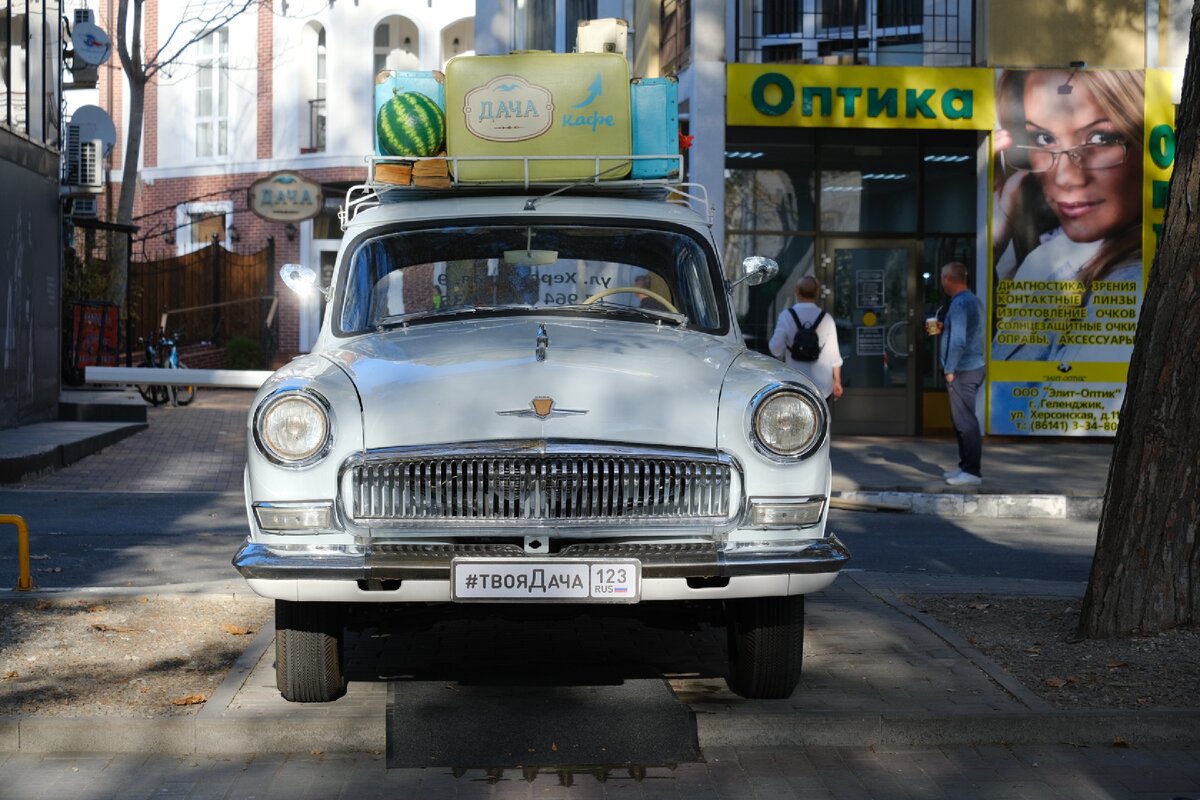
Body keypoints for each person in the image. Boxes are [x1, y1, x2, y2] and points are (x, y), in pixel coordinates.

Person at [991, 69, 1144, 363]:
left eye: (1100, 137)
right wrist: (993, 244)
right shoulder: (1046, 260)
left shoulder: (1129, 283)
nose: (1064, 177)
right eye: (1044, 137)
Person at [938, 262, 986, 486]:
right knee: (963, 419)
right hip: (974, 366)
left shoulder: (958, 304)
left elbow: (958, 341)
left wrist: (949, 369)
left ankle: (972, 472)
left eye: (941, 278)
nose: (941, 282)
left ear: (948, 279)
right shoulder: (973, 300)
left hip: (962, 370)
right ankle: (964, 466)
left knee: (965, 421)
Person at [768, 275, 843, 402]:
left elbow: (775, 349)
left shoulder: (786, 316)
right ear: (817, 293)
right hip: (822, 388)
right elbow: (834, 357)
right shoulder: (826, 318)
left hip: (795, 384)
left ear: (797, 291)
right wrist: (837, 382)